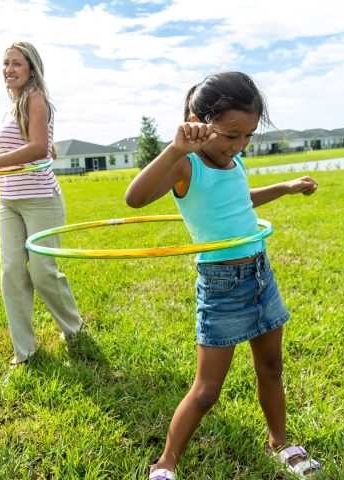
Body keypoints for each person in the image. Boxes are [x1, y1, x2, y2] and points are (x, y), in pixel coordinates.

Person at [125, 72, 322, 479]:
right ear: (199, 121)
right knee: (207, 390)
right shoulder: (185, 164)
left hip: (260, 275)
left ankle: (280, 443)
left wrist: (283, 187)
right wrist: (173, 149)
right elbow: (136, 198)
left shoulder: (234, 160)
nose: (239, 145)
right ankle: (165, 463)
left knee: (271, 367)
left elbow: (238, 199)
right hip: (221, 285)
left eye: (248, 136)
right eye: (232, 135)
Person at [0, 41, 82, 366]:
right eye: (5, 63)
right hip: (8, 202)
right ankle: (25, 353)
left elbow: (39, 147)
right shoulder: (11, 107)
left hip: (42, 199)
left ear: (31, 68)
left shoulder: (36, 99)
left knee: (43, 273)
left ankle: (75, 329)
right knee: (11, 274)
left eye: (17, 63)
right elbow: (35, 142)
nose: (9, 69)